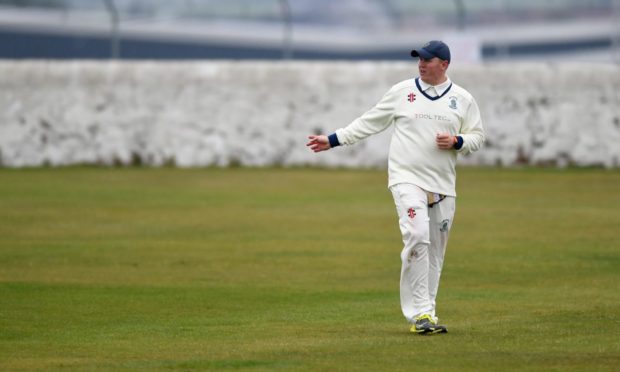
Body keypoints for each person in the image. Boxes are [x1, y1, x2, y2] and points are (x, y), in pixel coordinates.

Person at [306, 40, 485, 334]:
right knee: (416, 237)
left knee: (435, 254)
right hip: (406, 179)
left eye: (428, 60)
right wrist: (334, 139)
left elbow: (477, 136)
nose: (421, 63)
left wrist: (458, 142)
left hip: (443, 185)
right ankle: (419, 315)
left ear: (444, 65)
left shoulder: (463, 99)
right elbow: (370, 121)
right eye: (419, 59)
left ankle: (428, 313)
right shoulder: (403, 92)